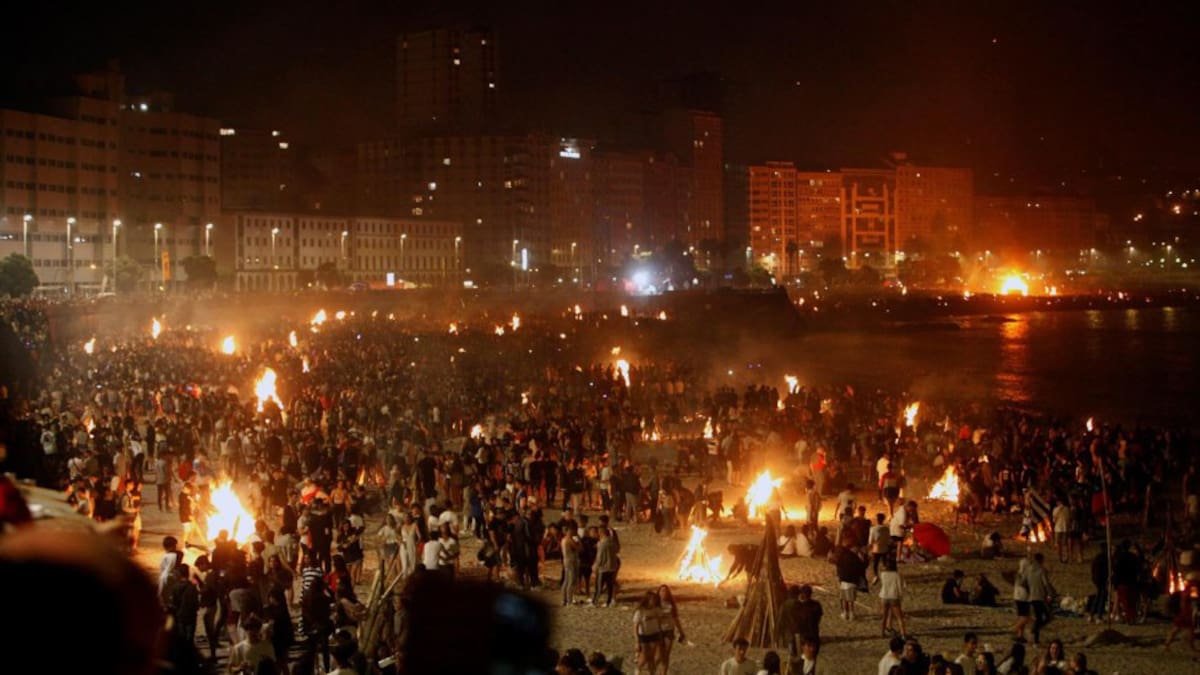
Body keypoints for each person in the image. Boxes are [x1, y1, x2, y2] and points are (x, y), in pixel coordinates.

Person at [1164, 578, 1198, 653]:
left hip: (1183, 614)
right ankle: (1191, 647)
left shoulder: (1185, 592)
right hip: (1186, 614)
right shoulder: (1189, 593)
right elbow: (1189, 603)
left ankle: (1167, 644)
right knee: (1187, 631)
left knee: (1177, 630)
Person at [633, 590, 663, 675]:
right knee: (645, 655)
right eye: (652, 599)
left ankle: (651, 672)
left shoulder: (656, 609)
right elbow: (635, 627)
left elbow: (659, 622)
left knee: (652, 657)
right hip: (644, 635)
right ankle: (638, 668)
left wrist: (660, 634)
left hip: (654, 634)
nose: (654, 601)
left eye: (655, 599)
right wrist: (637, 641)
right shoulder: (640, 611)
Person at [657, 585, 685, 672]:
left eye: (665, 591)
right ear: (658, 593)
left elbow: (676, 618)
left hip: (669, 630)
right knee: (659, 655)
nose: (663, 593)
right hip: (659, 631)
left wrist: (681, 632)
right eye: (662, 591)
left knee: (666, 655)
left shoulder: (671, 604)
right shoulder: (655, 604)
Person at [835, 544, 867, 620]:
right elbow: (862, 567)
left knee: (844, 599)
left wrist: (840, 578)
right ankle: (852, 613)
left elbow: (838, 569)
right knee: (850, 600)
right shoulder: (854, 557)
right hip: (852, 581)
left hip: (843, 581)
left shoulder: (841, 557)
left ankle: (845, 613)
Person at [879, 555, 906, 637]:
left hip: (884, 596)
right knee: (899, 617)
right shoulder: (897, 575)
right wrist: (901, 597)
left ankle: (882, 633)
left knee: (884, 616)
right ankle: (903, 634)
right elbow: (900, 587)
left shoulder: (883, 574)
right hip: (894, 596)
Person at [594, 525, 618, 607]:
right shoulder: (612, 542)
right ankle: (608, 602)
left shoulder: (601, 544)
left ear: (601, 533)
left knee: (599, 586)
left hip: (603, 568)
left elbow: (600, 557)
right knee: (609, 586)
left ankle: (595, 601)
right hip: (612, 567)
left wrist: (596, 566)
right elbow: (617, 550)